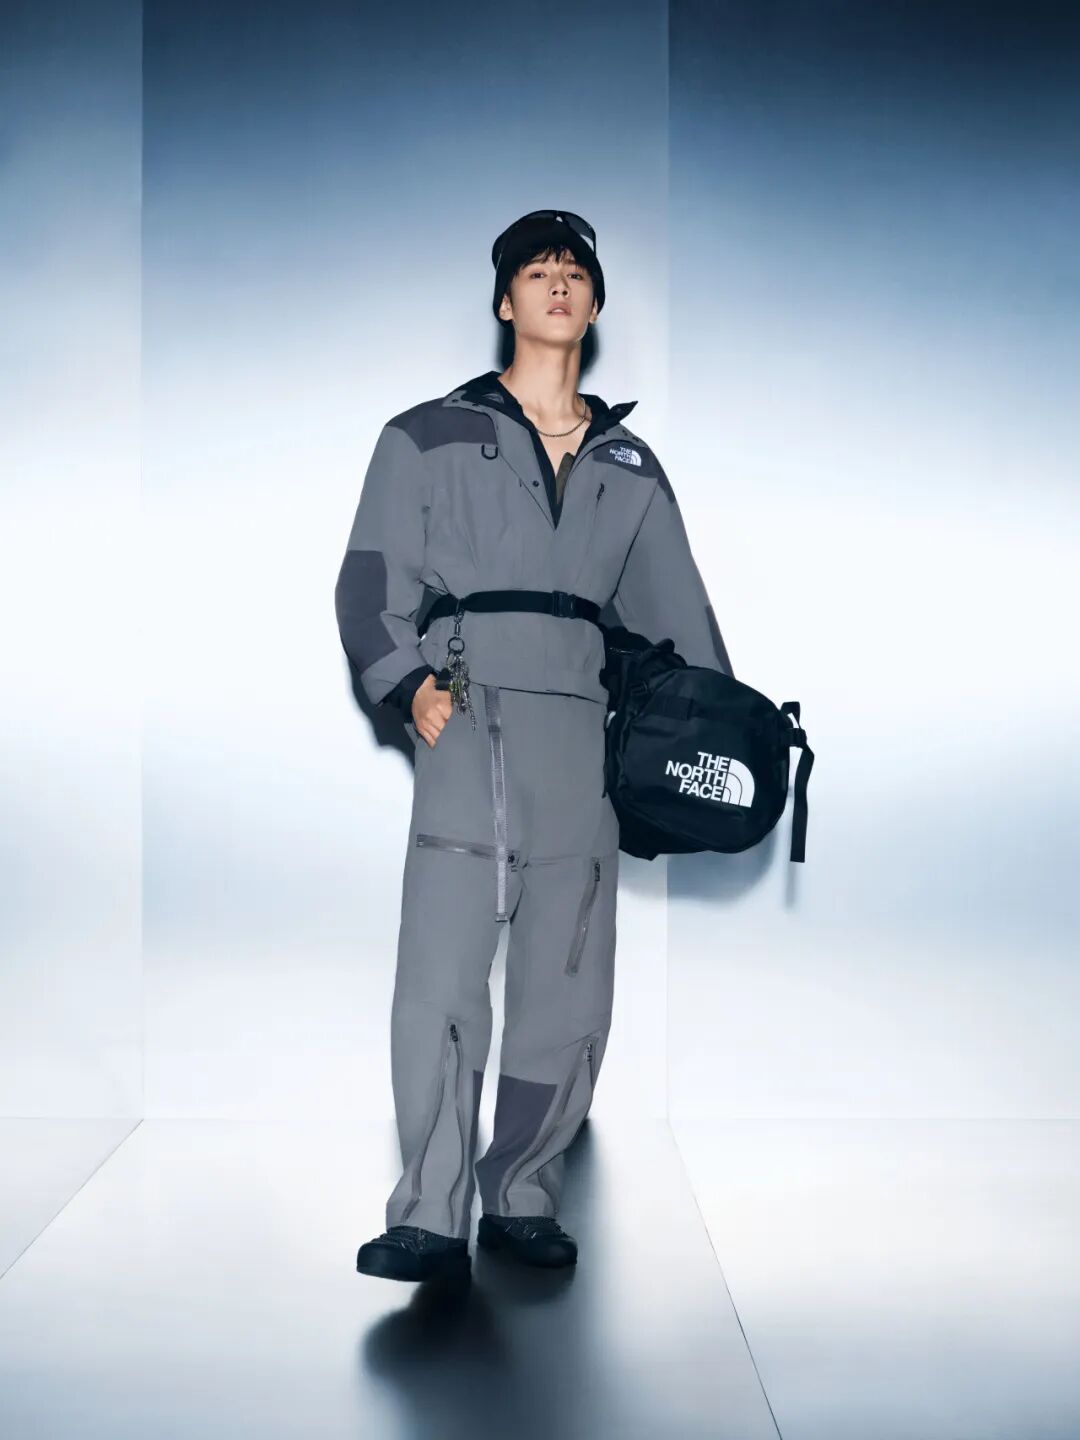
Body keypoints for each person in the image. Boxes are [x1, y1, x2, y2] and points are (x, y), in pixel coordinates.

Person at [335, 209, 733, 1283]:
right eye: (536, 271)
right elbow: (370, 581)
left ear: (593, 307)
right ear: (505, 300)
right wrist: (408, 684)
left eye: (575, 273)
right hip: (469, 718)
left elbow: (680, 623)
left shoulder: (629, 464)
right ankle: (429, 1211)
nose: (557, 284)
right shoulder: (426, 434)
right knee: (442, 972)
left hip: (581, 740)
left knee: (569, 979)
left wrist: (719, 746)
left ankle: (522, 1191)